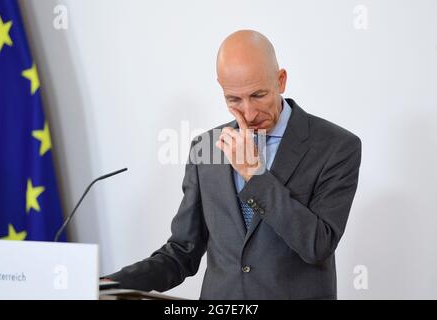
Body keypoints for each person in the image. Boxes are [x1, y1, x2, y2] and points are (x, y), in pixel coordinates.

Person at [104, 30, 362, 300]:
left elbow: (317, 245)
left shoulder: (336, 146)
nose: (249, 114)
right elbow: (182, 252)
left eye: (258, 95)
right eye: (234, 100)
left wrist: (254, 174)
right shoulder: (206, 147)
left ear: (281, 80)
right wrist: (109, 284)